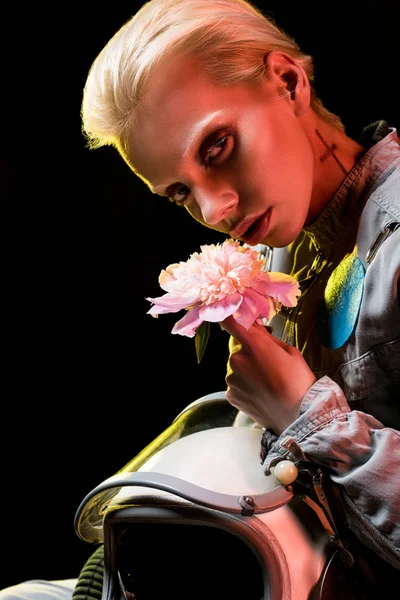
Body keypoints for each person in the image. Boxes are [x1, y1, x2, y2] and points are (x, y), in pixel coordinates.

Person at [2, 0, 399, 597]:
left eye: (216, 147)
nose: (214, 212)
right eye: (179, 193)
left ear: (288, 82)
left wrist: (309, 416)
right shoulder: (282, 251)